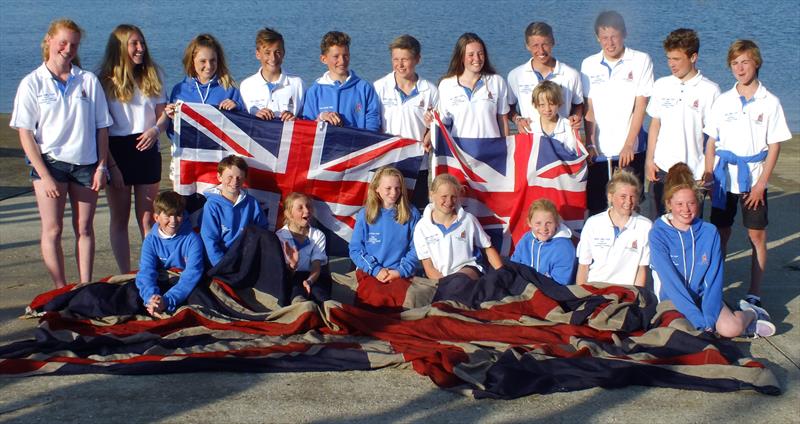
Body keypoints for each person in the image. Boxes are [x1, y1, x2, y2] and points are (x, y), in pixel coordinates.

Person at [10, 19, 113, 288]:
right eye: (63, 42)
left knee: (85, 228)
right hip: (49, 164)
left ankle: (85, 286)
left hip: (85, 164)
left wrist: (102, 167)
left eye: (74, 44)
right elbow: (25, 134)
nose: (68, 49)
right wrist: (44, 176)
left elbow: (102, 128)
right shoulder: (32, 83)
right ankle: (60, 288)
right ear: (49, 41)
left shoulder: (87, 80)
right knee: (53, 229)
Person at [703, 40, 791, 308]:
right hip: (723, 178)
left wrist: (761, 183)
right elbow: (711, 141)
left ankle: (754, 292)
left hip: (753, 177)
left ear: (756, 63)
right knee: (720, 233)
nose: (740, 68)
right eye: (734, 63)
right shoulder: (723, 101)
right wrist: (708, 173)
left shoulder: (770, 102)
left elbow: (774, 145)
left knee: (756, 235)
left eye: (745, 62)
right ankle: (714, 286)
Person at [649, 163, 775, 338]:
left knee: (730, 329)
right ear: (669, 204)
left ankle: (751, 313)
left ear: (699, 202)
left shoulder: (710, 232)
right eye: (679, 204)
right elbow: (671, 283)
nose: (686, 210)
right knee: (682, 333)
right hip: (673, 300)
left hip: (704, 298)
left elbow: (713, 280)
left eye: (691, 203)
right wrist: (698, 321)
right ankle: (747, 328)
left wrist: (708, 321)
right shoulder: (658, 233)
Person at [98, 24, 169, 274]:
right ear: (120, 47)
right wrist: (110, 165)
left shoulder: (154, 73)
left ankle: (150, 270)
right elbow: (101, 128)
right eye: (134, 44)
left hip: (148, 146)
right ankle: (125, 273)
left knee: (148, 217)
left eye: (142, 43)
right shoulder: (104, 80)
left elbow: (163, 116)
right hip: (117, 150)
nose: (140, 49)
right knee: (119, 218)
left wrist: (154, 130)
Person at [581, 11, 654, 216]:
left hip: (630, 150)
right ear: (598, 38)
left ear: (624, 34)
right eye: (604, 38)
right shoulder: (588, 64)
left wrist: (629, 143)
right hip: (600, 152)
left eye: (614, 36)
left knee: (631, 205)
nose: (610, 43)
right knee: (597, 207)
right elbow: (590, 109)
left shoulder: (641, 60)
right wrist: (590, 143)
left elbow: (641, 105)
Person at [646, 28, 720, 217]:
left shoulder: (710, 90)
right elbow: (655, 124)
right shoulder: (661, 85)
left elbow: (714, 137)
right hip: (662, 169)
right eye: (669, 58)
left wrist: (708, 170)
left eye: (677, 59)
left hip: (694, 172)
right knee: (660, 225)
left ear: (693, 57)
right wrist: (649, 160)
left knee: (691, 226)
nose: (671, 64)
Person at [373, 35, 439, 209]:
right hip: (387, 161)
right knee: (386, 210)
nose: (400, 65)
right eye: (395, 59)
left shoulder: (430, 90)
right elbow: (373, 124)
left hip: (417, 162)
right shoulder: (379, 87)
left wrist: (430, 133)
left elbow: (436, 127)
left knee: (415, 210)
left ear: (417, 59)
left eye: (405, 59)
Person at [413, 173, 503, 280]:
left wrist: (502, 272)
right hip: (442, 278)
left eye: (453, 197)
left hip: (468, 271)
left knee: (459, 281)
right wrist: (442, 283)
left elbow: (487, 247)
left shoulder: (468, 220)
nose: (449, 201)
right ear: (432, 195)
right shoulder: (422, 227)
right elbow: (428, 266)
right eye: (444, 196)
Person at [576, 169, 652, 287]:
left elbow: (642, 269)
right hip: (595, 291)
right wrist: (582, 298)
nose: (628, 201)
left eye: (632, 197)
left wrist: (636, 298)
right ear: (610, 196)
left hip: (627, 293)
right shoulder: (593, 223)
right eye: (623, 196)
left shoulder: (645, 226)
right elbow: (583, 266)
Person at [135, 191, 204, 318]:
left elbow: (192, 274)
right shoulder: (150, 240)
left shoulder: (193, 239)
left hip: (183, 284)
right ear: (156, 218)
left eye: (178, 215)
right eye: (168, 215)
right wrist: (152, 298)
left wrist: (167, 300)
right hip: (161, 281)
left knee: (198, 298)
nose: (173, 221)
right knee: (132, 293)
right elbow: (146, 271)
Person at [507, 22, 584, 133]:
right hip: (531, 140)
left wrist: (576, 117)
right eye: (535, 45)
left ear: (553, 42)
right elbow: (509, 108)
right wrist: (518, 119)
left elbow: (578, 105)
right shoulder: (515, 75)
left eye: (545, 44)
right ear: (527, 46)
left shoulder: (571, 74)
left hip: (562, 139)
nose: (541, 51)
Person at [350, 166, 421, 281]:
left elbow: (417, 248)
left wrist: (400, 271)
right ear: (376, 188)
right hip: (371, 273)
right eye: (388, 188)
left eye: (397, 188)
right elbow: (356, 249)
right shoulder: (365, 214)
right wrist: (376, 270)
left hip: (401, 275)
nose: (393, 193)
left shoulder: (412, 213)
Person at [301, 31, 381, 131]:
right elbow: (307, 128)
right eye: (336, 56)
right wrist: (321, 118)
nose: (342, 61)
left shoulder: (364, 88)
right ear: (323, 59)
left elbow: (372, 126)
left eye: (345, 55)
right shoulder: (314, 92)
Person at [437, 32, 510, 138]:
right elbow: (443, 123)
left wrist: (507, 147)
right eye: (471, 55)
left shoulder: (496, 81)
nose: (477, 59)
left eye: (480, 54)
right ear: (461, 57)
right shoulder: (446, 85)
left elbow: (502, 120)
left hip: (492, 149)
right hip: (460, 150)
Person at [200, 155, 268, 267]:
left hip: (245, 259)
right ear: (219, 177)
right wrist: (222, 266)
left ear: (244, 178)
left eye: (239, 177)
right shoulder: (212, 206)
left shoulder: (252, 203)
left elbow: (262, 231)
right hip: (220, 261)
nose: (234, 181)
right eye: (230, 177)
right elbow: (210, 241)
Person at [164, 33, 243, 117]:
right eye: (203, 61)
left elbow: (246, 123)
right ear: (192, 61)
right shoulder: (179, 90)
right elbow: (172, 128)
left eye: (213, 60)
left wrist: (237, 107)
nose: (209, 66)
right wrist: (171, 116)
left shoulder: (229, 89)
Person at [240, 27, 304, 121]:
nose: (273, 58)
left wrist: (295, 119)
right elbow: (241, 121)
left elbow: (308, 121)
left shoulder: (297, 84)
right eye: (267, 53)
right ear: (258, 54)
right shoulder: (246, 86)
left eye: (277, 52)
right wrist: (255, 116)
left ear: (283, 53)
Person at [276, 192, 331, 303]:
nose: (306, 211)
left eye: (308, 206)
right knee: (297, 294)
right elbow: (282, 272)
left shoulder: (317, 235)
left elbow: (316, 265)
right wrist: (292, 265)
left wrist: (309, 281)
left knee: (320, 296)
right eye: (300, 208)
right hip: (291, 277)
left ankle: (330, 313)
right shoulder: (280, 236)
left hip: (314, 277)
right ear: (289, 214)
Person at [511, 199, 575, 285]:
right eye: (538, 223)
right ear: (529, 223)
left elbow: (559, 284)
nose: (544, 229)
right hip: (523, 287)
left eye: (548, 223)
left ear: (556, 223)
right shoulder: (526, 239)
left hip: (552, 292)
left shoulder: (564, 247)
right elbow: (514, 266)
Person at [528, 81, 581, 154]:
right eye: (542, 105)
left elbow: (575, 157)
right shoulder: (530, 129)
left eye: (551, 104)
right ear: (535, 105)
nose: (547, 109)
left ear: (559, 104)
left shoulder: (570, 127)